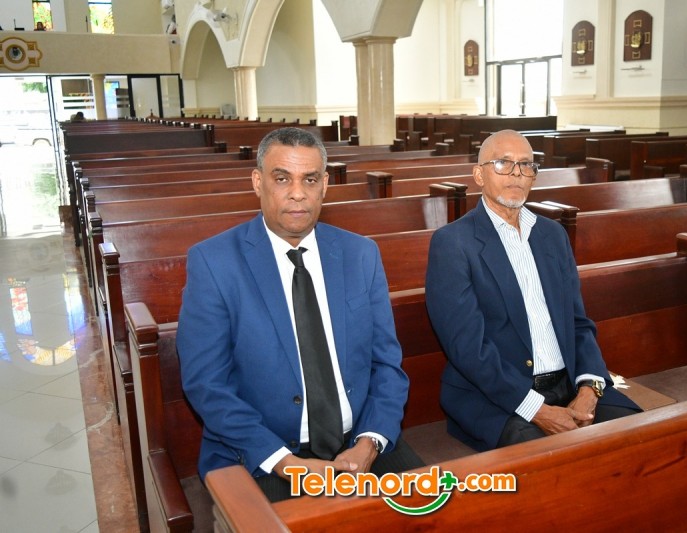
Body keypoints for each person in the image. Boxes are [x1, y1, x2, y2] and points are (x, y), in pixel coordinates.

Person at [177, 127, 422, 502]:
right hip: (261, 452)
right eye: (282, 178)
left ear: (324, 185)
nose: (297, 193)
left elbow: (387, 363)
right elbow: (207, 384)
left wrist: (370, 440)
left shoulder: (360, 254)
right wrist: (284, 462)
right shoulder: (214, 262)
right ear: (258, 182)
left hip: (359, 443)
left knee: (440, 513)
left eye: (309, 179)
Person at [425, 129, 641, 452]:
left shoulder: (552, 235)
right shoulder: (453, 243)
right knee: (556, 463)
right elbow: (469, 349)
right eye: (503, 163)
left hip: (568, 383)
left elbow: (578, 323)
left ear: (534, 176)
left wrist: (589, 388)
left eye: (526, 165)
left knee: (644, 437)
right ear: (479, 175)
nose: (517, 173)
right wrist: (537, 410)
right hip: (498, 398)